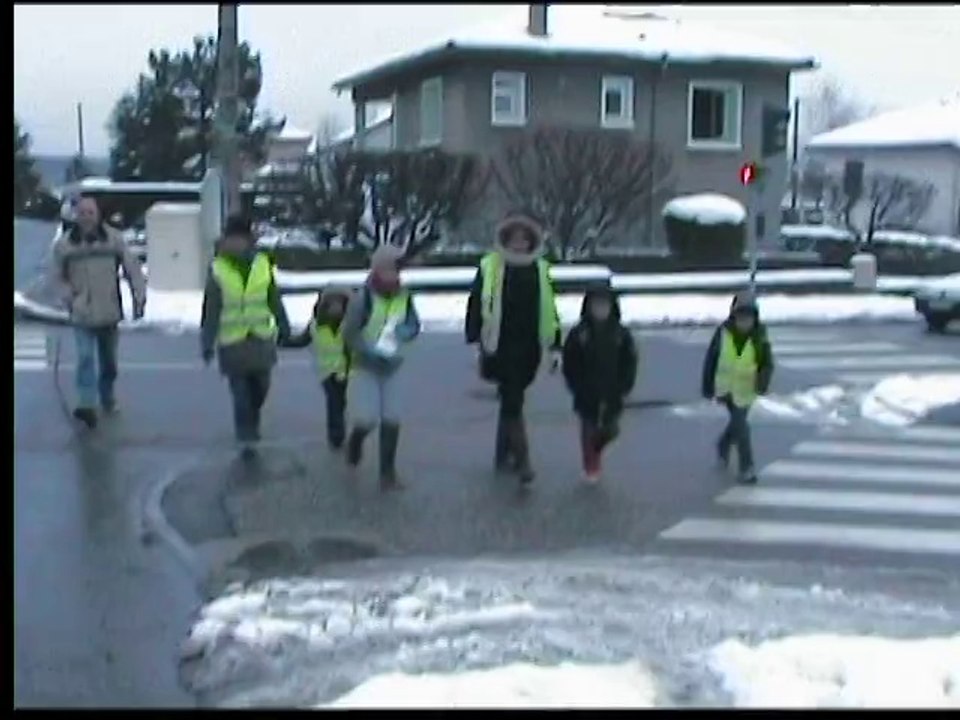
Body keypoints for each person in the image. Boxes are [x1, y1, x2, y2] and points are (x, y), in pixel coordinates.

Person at [465, 214, 561, 485]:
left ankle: (502, 454)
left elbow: (549, 307)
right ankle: (523, 460)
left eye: (524, 239)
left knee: (512, 399)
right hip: (499, 343)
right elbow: (476, 301)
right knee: (512, 400)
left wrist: (555, 343)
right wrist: (474, 338)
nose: (519, 244)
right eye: (514, 238)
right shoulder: (490, 266)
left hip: (528, 344)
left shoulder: (540, 268)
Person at [51, 195, 147, 429]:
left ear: (98, 215)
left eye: (90, 213)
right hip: (82, 311)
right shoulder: (65, 244)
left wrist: (139, 296)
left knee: (108, 362)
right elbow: (56, 276)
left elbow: (132, 268)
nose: (86, 218)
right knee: (84, 358)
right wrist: (68, 297)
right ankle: (87, 405)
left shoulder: (113, 239)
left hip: (109, 310)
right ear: (76, 216)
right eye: (82, 213)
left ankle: (107, 396)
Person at [200, 215, 291, 456]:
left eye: (240, 239)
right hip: (233, 343)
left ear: (248, 240)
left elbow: (274, 298)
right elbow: (211, 310)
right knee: (240, 394)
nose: (236, 244)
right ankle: (246, 436)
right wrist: (207, 342)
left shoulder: (263, 264)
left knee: (261, 387)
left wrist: (284, 325)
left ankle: (253, 419)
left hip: (260, 338)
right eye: (232, 239)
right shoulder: (218, 270)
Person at [341, 243, 421, 489]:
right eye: (388, 269)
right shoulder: (362, 298)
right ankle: (356, 441)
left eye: (397, 270)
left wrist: (406, 332)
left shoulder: (405, 296)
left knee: (392, 417)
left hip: (393, 365)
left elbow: (414, 324)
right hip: (365, 366)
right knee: (366, 418)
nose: (394, 275)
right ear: (376, 270)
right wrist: (368, 351)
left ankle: (387, 472)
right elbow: (349, 333)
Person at [561, 283, 638, 484]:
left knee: (611, 428)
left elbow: (629, 361)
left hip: (613, 391)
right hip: (586, 391)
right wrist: (576, 385)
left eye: (605, 305)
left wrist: (626, 384)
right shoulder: (580, 333)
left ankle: (596, 447)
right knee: (588, 427)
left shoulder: (620, 334)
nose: (601, 310)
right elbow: (570, 361)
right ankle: (591, 465)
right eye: (597, 305)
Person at [700, 291, 775, 484]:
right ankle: (746, 467)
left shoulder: (760, 337)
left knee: (737, 425)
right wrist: (707, 386)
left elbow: (766, 363)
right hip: (726, 388)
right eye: (741, 317)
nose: (744, 322)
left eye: (748, 318)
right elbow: (711, 360)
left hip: (747, 389)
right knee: (742, 426)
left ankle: (723, 444)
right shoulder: (723, 334)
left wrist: (763, 383)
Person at [281, 286, 352, 450]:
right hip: (326, 371)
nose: (336, 308)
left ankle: (337, 432)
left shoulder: (350, 325)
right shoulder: (316, 325)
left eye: (339, 304)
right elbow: (302, 340)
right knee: (334, 401)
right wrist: (285, 341)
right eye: (332, 304)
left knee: (339, 402)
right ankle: (336, 434)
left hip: (346, 370)